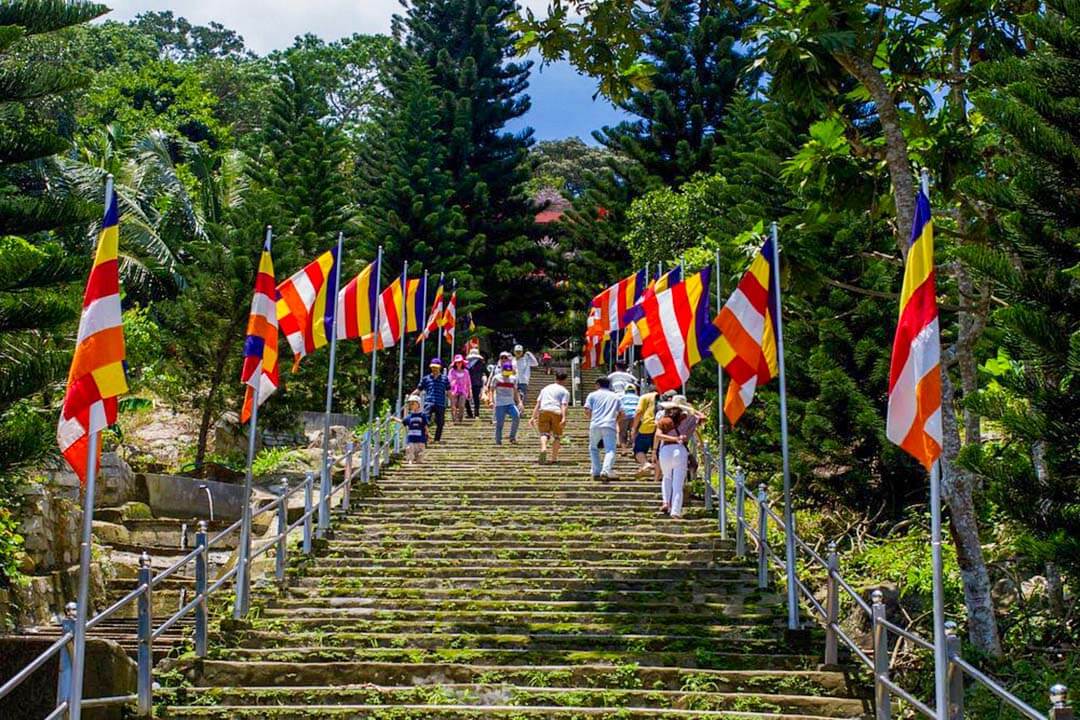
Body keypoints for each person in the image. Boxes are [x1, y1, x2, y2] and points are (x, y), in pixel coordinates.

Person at [655, 395, 702, 520]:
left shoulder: (664, 420)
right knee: (678, 483)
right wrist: (692, 409)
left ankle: (665, 502)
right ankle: (675, 511)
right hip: (680, 451)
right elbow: (703, 417)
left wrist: (672, 438)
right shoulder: (691, 419)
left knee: (666, 477)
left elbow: (658, 436)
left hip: (665, 450)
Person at [584, 376, 623, 482]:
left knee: (593, 448)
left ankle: (596, 470)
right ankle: (605, 470)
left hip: (595, 424)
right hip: (609, 424)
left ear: (598, 384)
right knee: (610, 449)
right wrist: (615, 420)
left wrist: (592, 418)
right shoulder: (615, 396)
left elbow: (587, 410)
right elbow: (622, 413)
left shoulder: (592, 395)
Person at [531, 371, 570, 465]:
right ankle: (554, 458)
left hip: (544, 410)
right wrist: (564, 417)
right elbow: (563, 405)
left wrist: (533, 417)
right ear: (565, 380)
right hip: (556, 411)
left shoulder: (545, 388)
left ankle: (544, 448)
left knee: (544, 433)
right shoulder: (564, 391)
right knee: (557, 436)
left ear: (555, 378)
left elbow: (538, 403)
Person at [415, 359, 451, 443]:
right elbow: (419, 389)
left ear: (440, 368)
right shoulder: (426, 379)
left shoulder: (445, 379)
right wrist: (411, 397)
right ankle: (425, 437)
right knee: (424, 420)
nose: (434, 369)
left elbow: (449, 392)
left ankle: (437, 439)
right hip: (429, 402)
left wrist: (453, 404)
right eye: (433, 367)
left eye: (436, 367)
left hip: (440, 403)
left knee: (440, 422)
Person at [488, 360, 522, 445]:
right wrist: (491, 401)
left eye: (508, 372)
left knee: (516, 416)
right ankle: (498, 441)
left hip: (510, 403)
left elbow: (515, 391)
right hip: (500, 404)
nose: (507, 374)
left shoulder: (513, 378)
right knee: (500, 424)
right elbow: (491, 390)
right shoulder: (496, 378)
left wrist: (519, 402)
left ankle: (512, 437)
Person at [391, 394, 428, 464]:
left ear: (418, 404)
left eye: (413, 403)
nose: (411, 405)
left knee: (420, 451)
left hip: (420, 438)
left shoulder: (422, 415)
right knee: (409, 449)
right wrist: (394, 419)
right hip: (411, 437)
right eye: (410, 404)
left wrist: (427, 434)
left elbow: (425, 426)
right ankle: (410, 460)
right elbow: (403, 421)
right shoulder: (409, 416)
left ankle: (419, 461)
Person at [630, 386, 659, 476]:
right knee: (658, 450)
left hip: (647, 426)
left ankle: (645, 464)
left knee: (639, 449)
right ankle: (659, 473)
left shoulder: (645, 397)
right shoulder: (663, 396)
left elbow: (639, 412)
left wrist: (634, 428)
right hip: (661, 427)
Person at [448, 354, 471, 423]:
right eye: (457, 362)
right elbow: (449, 380)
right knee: (453, 405)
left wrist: (469, 391)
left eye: (460, 362)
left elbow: (468, 382)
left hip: (463, 390)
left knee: (462, 405)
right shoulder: (452, 371)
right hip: (453, 390)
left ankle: (460, 418)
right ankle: (454, 419)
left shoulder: (466, 372)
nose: (459, 363)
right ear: (455, 363)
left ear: (462, 363)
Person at [466, 348, 487, 419]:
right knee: (466, 398)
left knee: (476, 398)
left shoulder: (481, 363)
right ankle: (470, 413)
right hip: (467, 383)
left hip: (477, 383)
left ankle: (476, 413)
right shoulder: (466, 363)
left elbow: (484, 372)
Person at [618, 383, 640, 448]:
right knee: (634, 432)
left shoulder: (621, 397)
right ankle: (634, 448)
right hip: (635, 416)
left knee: (622, 433)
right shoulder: (638, 398)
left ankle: (623, 449)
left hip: (624, 415)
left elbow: (619, 407)